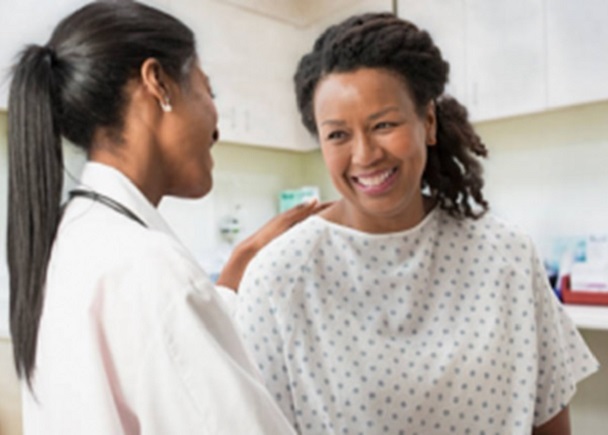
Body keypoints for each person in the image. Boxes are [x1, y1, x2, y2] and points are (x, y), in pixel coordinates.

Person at [235, 12, 599, 435]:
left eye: (384, 125)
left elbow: (549, 418)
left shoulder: (507, 255)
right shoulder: (278, 278)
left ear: (427, 122)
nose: (365, 154)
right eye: (338, 135)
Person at [6, 1, 320, 433]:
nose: (217, 125)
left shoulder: (72, 239)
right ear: (158, 84)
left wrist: (233, 273)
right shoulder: (147, 267)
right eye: (209, 91)